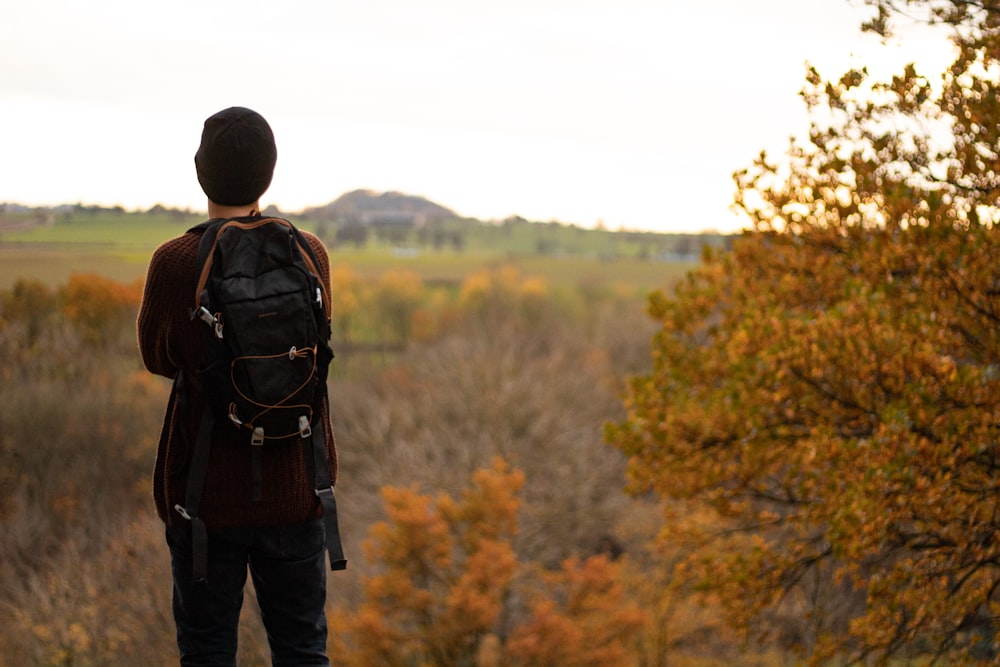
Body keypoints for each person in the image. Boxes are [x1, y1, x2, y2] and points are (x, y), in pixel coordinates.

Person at [137, 106, 339, 666]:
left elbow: (159, 356)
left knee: (206, 652)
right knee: (302, 650)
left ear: (200, 170)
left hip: (206, 498)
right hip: (298, 488)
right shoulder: (309, 252)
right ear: (269, 174)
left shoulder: (176, 261)